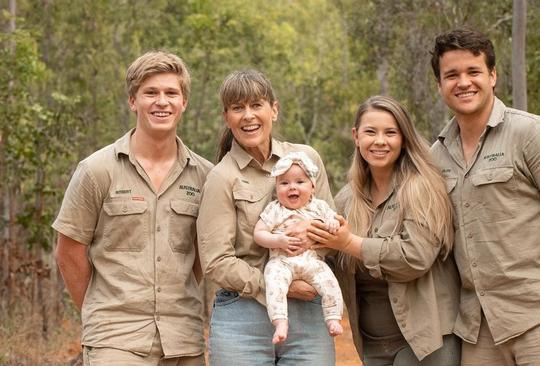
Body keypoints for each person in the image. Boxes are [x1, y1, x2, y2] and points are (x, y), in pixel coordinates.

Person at [429, 27, 540, 365]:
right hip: (479, 332)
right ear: (440, 85)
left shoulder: (531, 134)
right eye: (451, 75)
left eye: (473, 72)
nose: (463, 82)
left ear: (492, 76)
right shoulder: (436, 155)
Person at [52, 51, 212, 365]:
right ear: (132, 101)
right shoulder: (97, 170)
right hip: (116, 341)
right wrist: (102, 313)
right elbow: (68, 251)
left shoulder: (205, 176)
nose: (161, 102)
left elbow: (201, 254)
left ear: (184, 103)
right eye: (150, 92)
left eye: (171, 93)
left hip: (183, 340)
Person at [308, 95, 461, 365]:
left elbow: (415, 257)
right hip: (371, 345)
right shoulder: (346, 199)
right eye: (370, 132)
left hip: (424, 343)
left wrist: (349, 243)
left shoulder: (421, 188)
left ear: (403, 138)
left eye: (390, 132)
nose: (380, 141)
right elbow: (330, 262)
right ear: (356, 136)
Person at [196, 69, 336, 366]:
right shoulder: (222, 177)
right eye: (237, 108)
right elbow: (215, 261)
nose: (248, 116)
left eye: (256, 105)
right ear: (227, 117)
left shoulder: (306, 159)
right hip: (242, 317)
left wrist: (311, 235)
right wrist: (276, 285)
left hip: (310, 314)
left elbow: (332, 232)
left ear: (274, 109)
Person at [254, 151, 344, 345]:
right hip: (281, 261)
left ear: (313, 186)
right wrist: (277, 240)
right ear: (276, 188)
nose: (292, 187)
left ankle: (333, 317)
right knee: (273, 283)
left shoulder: (320, 207)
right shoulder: (274, 209)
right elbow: (259, 233)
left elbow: (334, 220)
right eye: (284, 183)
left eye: (300, 182)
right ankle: (280, 322)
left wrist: (333, 223)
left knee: (330, 282)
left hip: (311, 261)